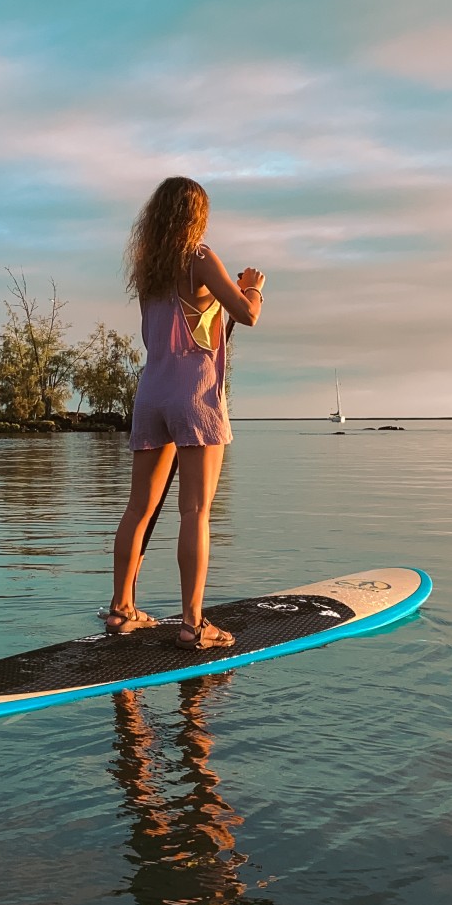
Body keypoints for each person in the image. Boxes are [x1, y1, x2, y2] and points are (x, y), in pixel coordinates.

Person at [105, 176, 265, 650]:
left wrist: (214, 307)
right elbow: (248, 314)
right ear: (196, 216)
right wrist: (252, 289)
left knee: (139, 508)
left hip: (151, 392)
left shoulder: (149, 269)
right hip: (194, 396)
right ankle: (194, 625)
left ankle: (121, 610)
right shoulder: (199, 256)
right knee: (195, 510)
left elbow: (155, 336)